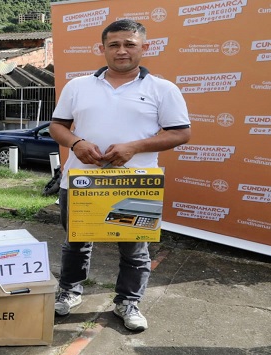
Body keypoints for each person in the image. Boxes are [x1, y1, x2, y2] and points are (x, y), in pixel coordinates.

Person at [49, 19, 191, 332]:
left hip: (134, 184)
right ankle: (70, 291)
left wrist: (134, 147)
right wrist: (76, 142)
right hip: (81, 181)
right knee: (75, 241)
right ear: (102, 49)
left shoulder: (163, 89)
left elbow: (181, 133)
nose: (121, 51)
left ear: (145, 47)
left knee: (134, 248)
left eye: (130, 44)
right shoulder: (78, 86)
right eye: (114, 45)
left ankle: (128, 301)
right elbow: (56, 126)